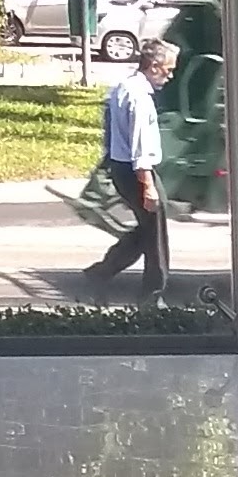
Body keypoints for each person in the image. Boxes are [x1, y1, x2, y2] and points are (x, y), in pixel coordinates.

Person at [89, 30, 174, 289]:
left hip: (121, 168)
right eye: (168, 70)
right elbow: (140, 145)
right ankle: (153, 293)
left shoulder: (123, 87)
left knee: (148, 229)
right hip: (136, 171)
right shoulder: (140, 98)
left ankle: (103, 270)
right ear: (154, 66)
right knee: (155, 233)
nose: (170, 76)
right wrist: (148, 186)